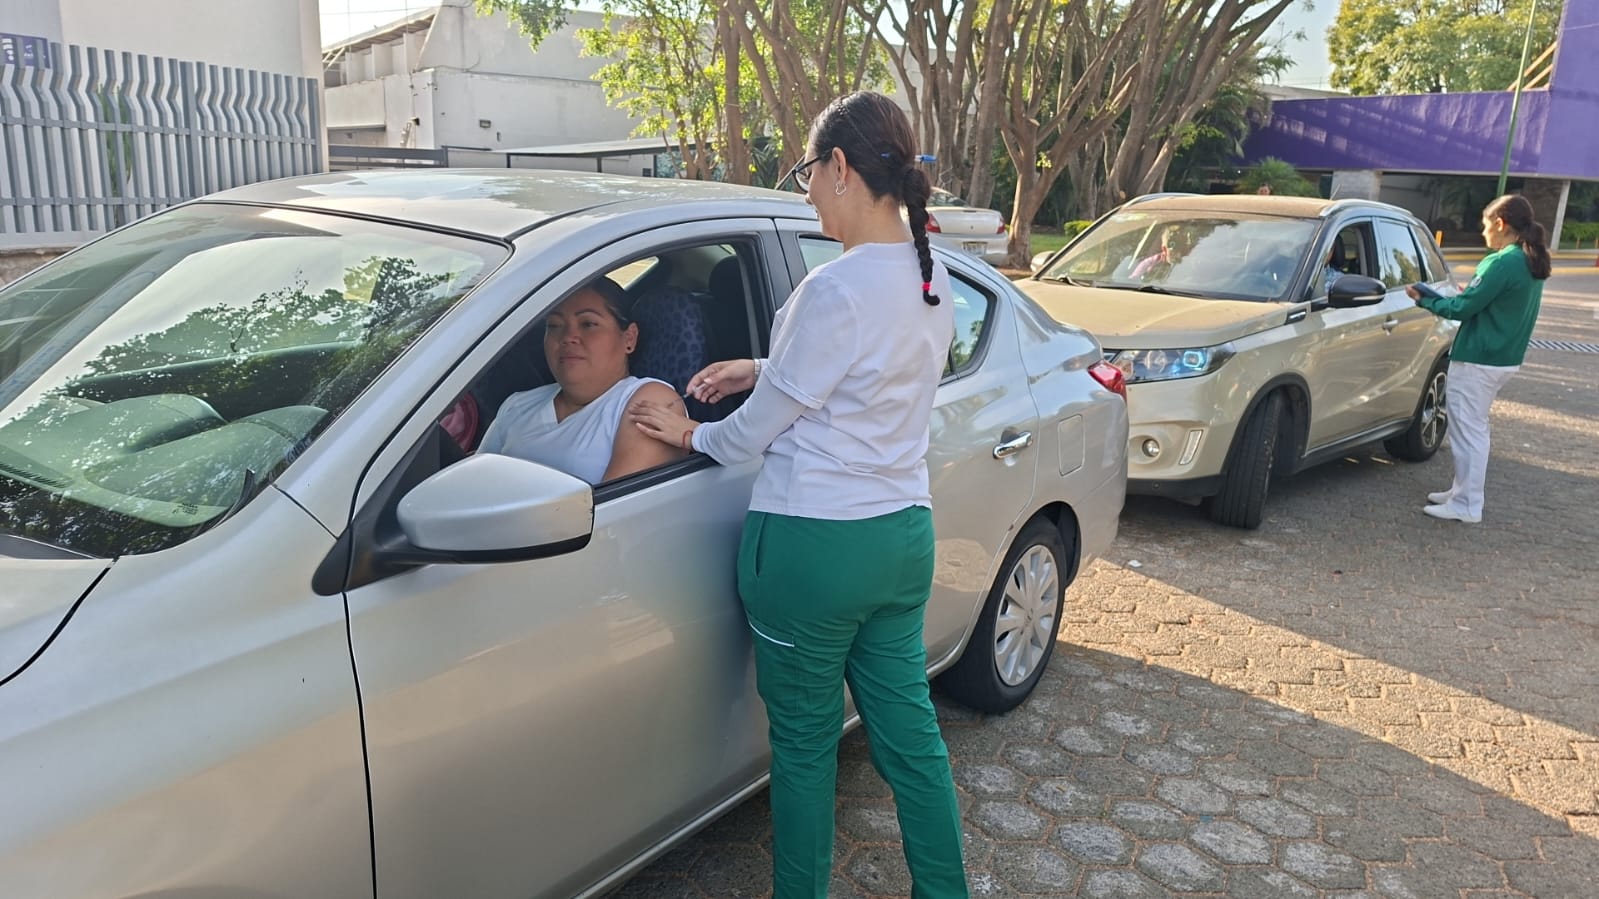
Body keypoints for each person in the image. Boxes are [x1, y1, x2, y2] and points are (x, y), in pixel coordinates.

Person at [628, 91, 967, 898]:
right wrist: (763, 369)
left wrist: (685, 434)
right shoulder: (931, 276)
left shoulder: (833, 289)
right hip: (899, 539)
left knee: (807, 750)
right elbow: (861, 376)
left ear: (841, 167)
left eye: (807, 171)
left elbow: (748, 437)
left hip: (813, 550)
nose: (805, 189)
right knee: (910, 737)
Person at [1405, 193, 1549, 523]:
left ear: (1501, 224)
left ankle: (1467, 503)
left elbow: (1463, 308)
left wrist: (1425, 300)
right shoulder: (1530, 259)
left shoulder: (1501, 262)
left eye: (1486, 225)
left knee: (1468, 431)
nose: (1484, 232)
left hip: (1479, 358)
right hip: (1502, 357)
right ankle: (1462, 492)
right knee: (1476, 429)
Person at [477, 277, 685, 484]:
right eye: (555, 325)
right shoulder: (517, 405)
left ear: (629, 338)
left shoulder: (649, 401)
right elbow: (473, 485)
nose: (568, 337)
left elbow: (616, 512)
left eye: (588, 324)